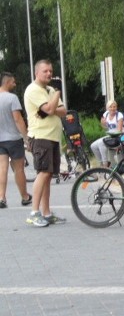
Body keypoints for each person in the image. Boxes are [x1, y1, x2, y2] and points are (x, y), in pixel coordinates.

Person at [23, 60, 67, 227]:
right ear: (37, 73)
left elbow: (62, 111)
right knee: (42, 173)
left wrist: (49, 108)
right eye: (45, 71)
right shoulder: (33, 90)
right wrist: (54, 97)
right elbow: (49, 109)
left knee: (48, 175)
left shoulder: (49, 90)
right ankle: (34, 212)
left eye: (50, 71)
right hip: (41, 137)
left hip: (53, 137)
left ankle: (46, 212)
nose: (49, 74)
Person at [0, 72, 31, 209]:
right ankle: (24, 197)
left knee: (2, 168)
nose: (15, 84)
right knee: (19, 169)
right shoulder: (12, 98)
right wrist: (26, 138)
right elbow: (18, 120)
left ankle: (1, 197)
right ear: (6, 82)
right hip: (14, 139)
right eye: (13, 82)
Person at [90, 100, 124, 167]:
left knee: (101, 143)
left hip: (119, 137)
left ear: (116, 107)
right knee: (93, 146)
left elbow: (119, 131)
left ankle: (105, 165)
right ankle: (101, 164)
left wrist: (110, 134)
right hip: (110, 136)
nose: (112, 109)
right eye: (110, 107)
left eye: (114, 107)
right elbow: (105, 128)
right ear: (107, 108)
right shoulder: (106, 114)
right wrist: (103, 124)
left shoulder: (119, 115)